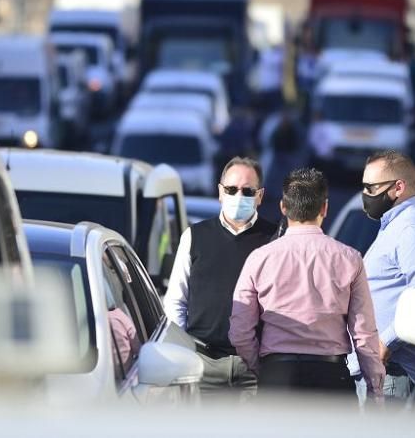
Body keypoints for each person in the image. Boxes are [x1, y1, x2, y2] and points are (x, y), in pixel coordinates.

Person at [229, 168, 384, 400]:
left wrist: (260, 367)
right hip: (331, 377)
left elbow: (240, 331)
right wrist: (375, 390)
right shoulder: (349, 258)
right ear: (325, 208)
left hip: (277, 375)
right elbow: (364, 334)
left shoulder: (260, 258)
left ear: (283, 207)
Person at [163, 157, 277, 398]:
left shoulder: (274, 239)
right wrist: (186, 352)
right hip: (203, 363)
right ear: (220, 192)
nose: (239, 196)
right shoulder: (195, 236)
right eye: (232, 189)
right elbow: (176, 300)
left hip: (255, 369)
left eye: (248, 191)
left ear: (260, 196)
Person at [356, 150, 415, 401]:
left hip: (395, 370)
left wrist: (386, 342)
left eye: (371, 188)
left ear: (398, 187)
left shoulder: (411, 229)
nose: (366, 195)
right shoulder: (397, 225)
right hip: (385, 369)